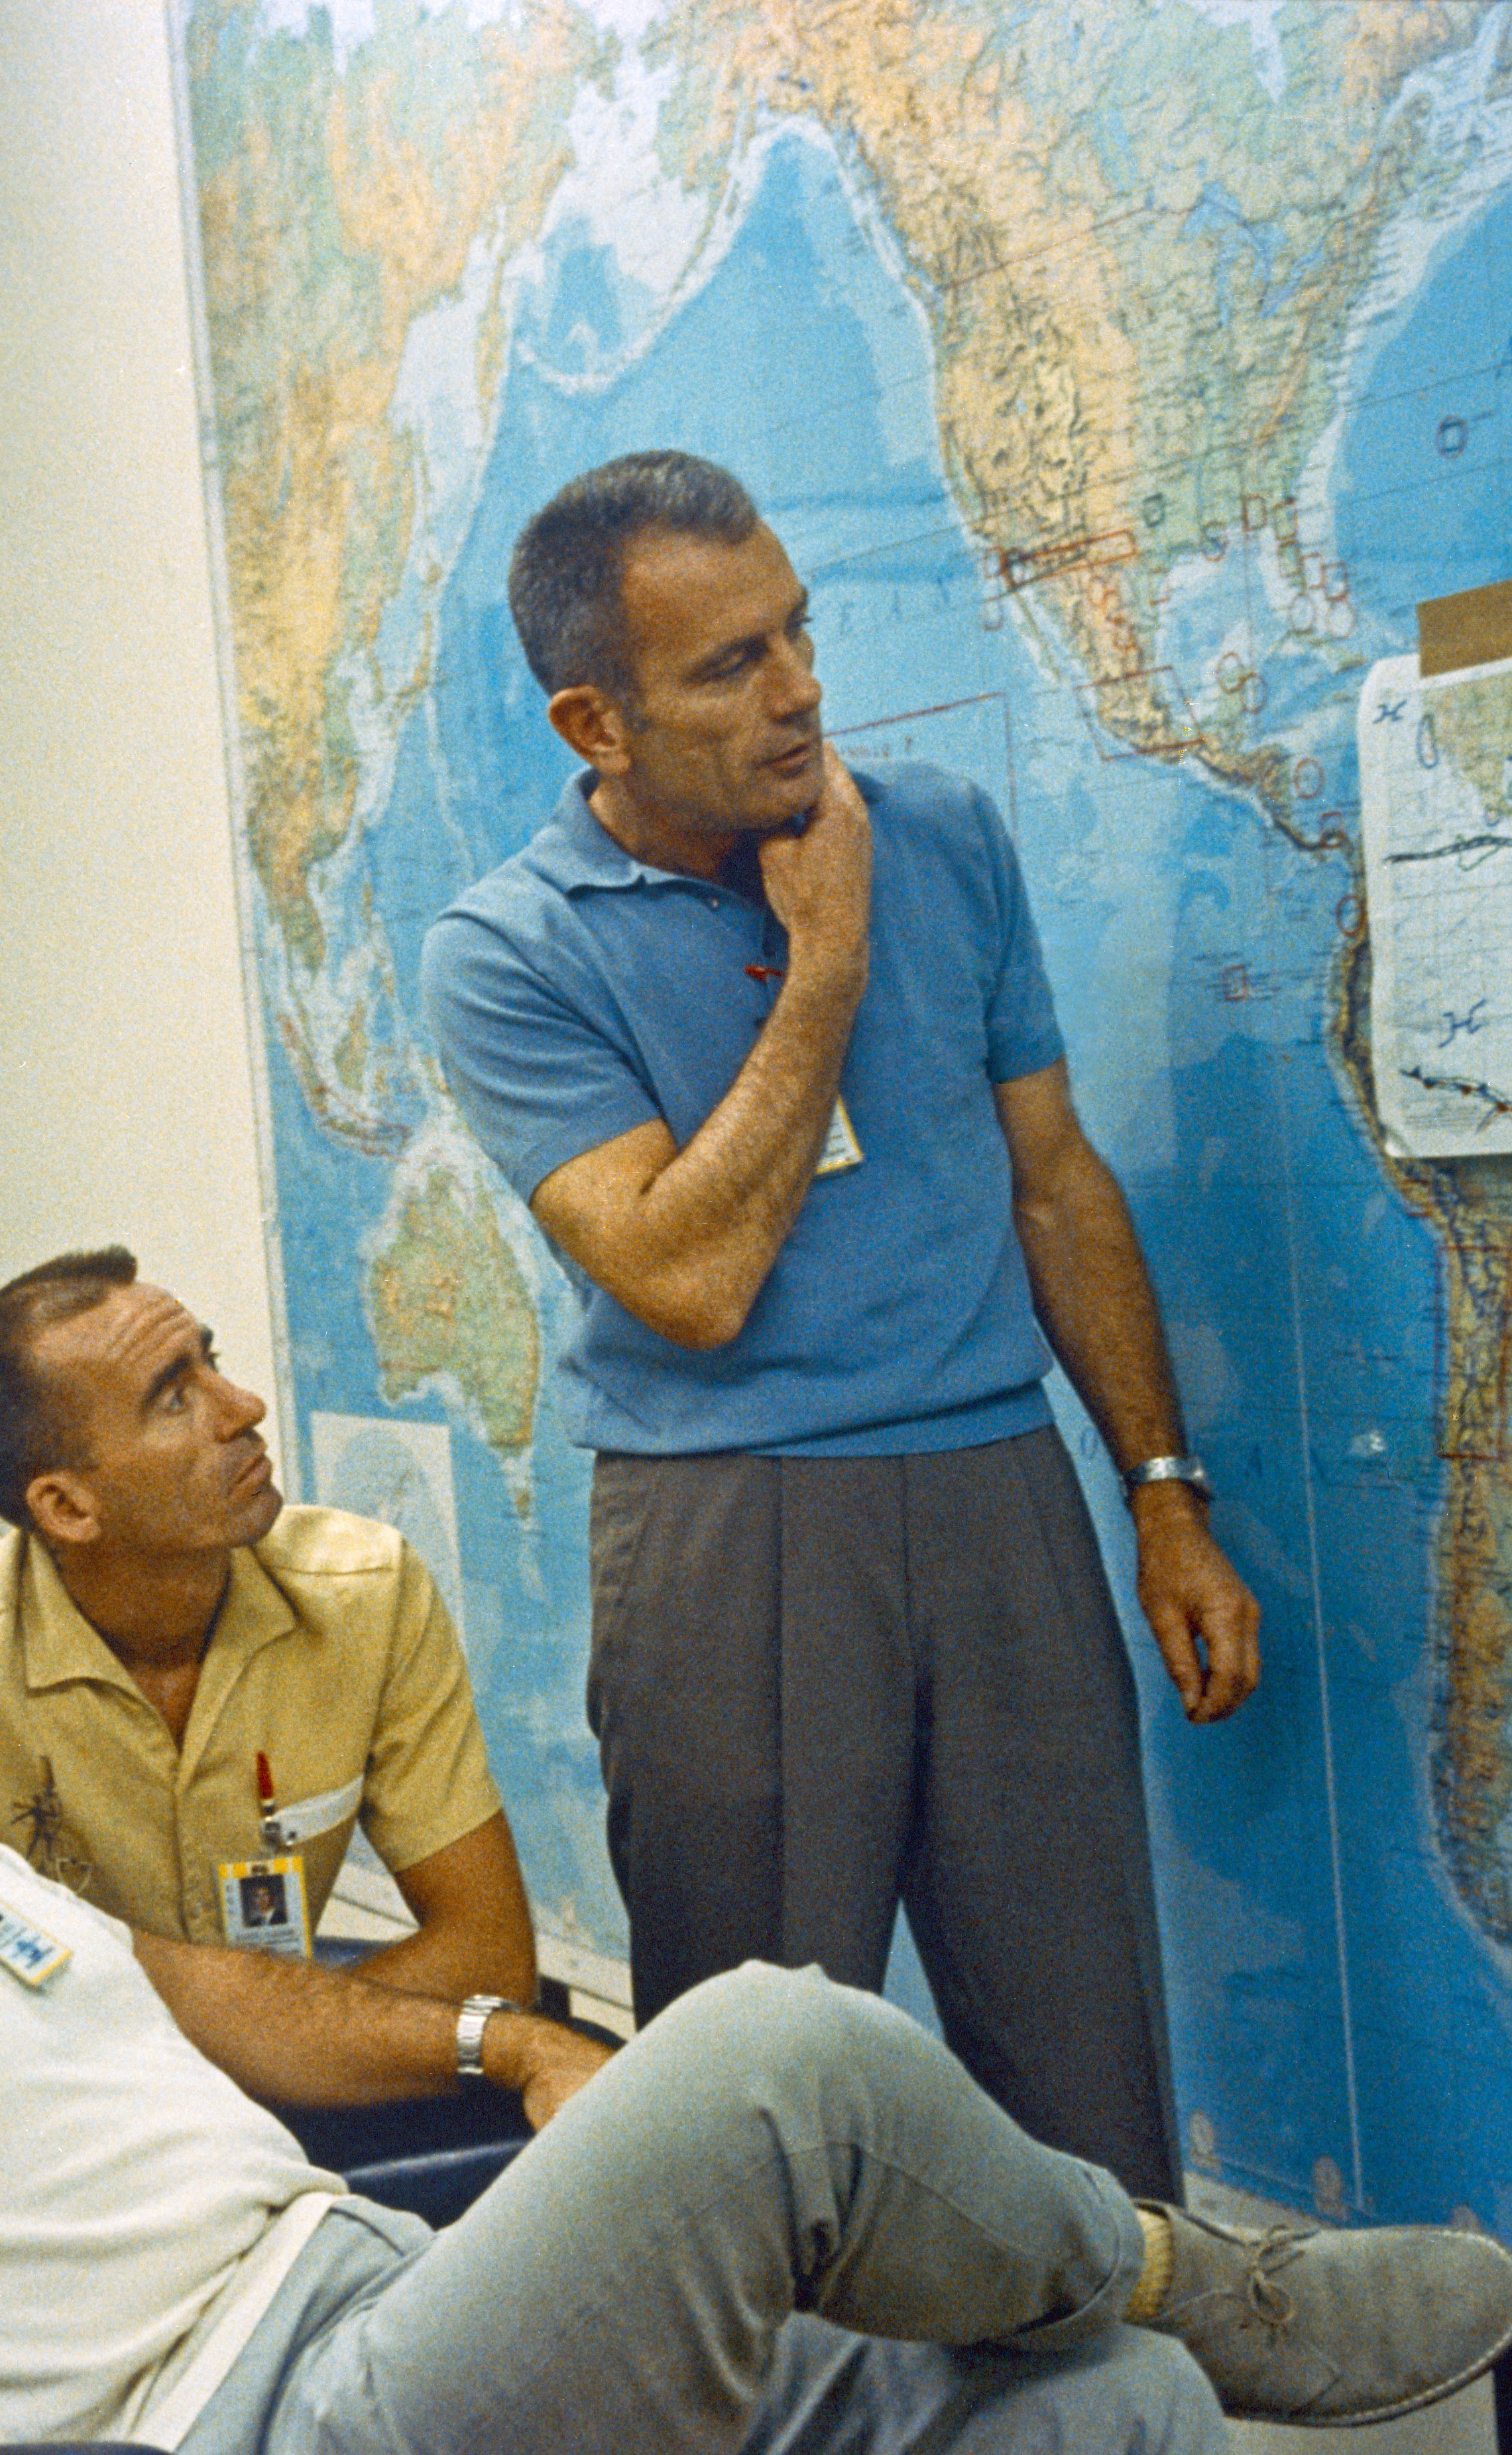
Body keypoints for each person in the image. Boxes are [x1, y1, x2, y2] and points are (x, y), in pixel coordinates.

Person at [0, 1374, 1512, 2455]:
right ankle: (1207, 2271)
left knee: (1103, 2412)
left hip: (389, 2289)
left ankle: (1158, 2316)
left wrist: (497, 2044)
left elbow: (166, 1986)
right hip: (255, 2423)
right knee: (770, 2053)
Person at [419, 450, 1262, 2200]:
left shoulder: (939, 828)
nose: (798, 688)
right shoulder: (508, 949)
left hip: (998, 1492)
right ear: (597, 718)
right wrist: (821, 966)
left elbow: (1051, 1178)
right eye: (728, 664)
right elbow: (684, 1277)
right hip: (731, 1526)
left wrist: (1159, 1488)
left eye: (794, 633)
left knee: (1085, 2076)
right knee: (755, 2115)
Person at [0, 1247, 536, 2001]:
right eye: (173, 1399)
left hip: (267, 2068)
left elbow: (488, 1956)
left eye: (209, 1360)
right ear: (67, 1508)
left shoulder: (367, 1592)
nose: (243, 1406)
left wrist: (261, 2050)